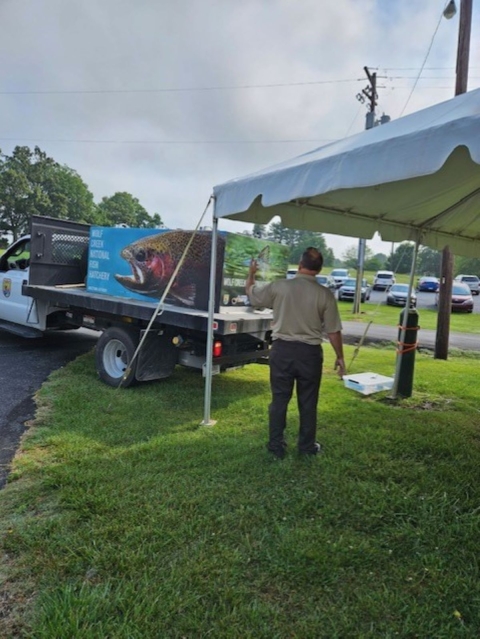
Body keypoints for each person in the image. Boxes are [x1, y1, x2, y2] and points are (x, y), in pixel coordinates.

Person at [245, 247, 346, 458]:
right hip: (310, 353)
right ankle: (307, 447)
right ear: (318, 269)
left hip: (282, 350)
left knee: (279, 400)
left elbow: (253, 296)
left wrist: (252, 273)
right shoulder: (325, 294)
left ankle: (276, 446)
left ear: (300, 265)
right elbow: (333, 331)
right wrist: (340, 357)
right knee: (308, 402)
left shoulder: (279, 286)